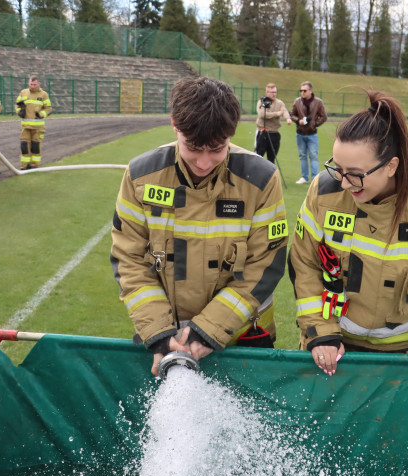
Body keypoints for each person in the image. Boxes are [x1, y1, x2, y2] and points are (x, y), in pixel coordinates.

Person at [110, 76, 289, 377]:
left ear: (232, 134)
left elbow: (265, 264)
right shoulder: (140, 175)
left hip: (242, 340)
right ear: (174, 125)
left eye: (217, 149)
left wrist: (208, 330)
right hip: (165, 344)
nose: (204, 163)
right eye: (193, 147)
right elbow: (130, 260)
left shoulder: (262, 179)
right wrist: (159, 333)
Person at [288, 90, 408, 376]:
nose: (345, 183)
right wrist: (320, 331)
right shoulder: (324, 190)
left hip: (396, 358)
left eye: (355, 173)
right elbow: (304, 263)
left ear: (391, 166)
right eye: (337, 168)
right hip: (328, 349)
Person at [289, 81, 327, 185]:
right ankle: (304, 177)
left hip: (312, 133)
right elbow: (292, 114)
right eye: (301, 90)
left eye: (304, 90)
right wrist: (298, 121)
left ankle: (314, 178)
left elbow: (324, 117)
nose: (302, 92)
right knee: (302, 156)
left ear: (310, 91)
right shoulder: (297, 101)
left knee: (313, 155)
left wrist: (314, 124)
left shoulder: (318, 102)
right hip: (300, 133)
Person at [15, 76, 52, 170]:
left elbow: (48, 108)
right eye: (31, 84)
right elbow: (17, 104)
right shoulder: (23, 92)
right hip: (25, 126)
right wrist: (19, 111)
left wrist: (41, 114)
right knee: (24, 146)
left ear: (39, 84)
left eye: (35, 84)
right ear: (28, 83)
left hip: (38, 127)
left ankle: (34, 165)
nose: (32, 86)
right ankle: (24, 166)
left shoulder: (44, 94)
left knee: (35, 146)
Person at [255, 83, 292, 163]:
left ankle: (270, 175)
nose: (274, 94)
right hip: (263, 133)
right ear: (267, 92)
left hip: (274, 133)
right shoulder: (261, 102)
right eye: (272, 92)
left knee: (271, 159)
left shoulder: (279, 103)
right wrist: (276, 114)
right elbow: (262, 114)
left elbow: (284, 111)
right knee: (258, 156)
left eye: (275, 92)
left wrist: (288, 118)